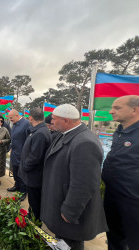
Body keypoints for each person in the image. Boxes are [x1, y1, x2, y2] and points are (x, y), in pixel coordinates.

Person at [41, 104, 107, 250]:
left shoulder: (85, 142)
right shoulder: (66, 133)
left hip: (69, 212)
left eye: (54, 119)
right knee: (61, 243)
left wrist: (70, 211)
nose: (51, 121)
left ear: (66, 121)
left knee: (70, 245)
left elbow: (85, 183)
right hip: (60, 203)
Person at [102, 95, 139, 250]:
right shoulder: (119, 131)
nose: (111, 111)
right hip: (113, 195)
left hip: (133, 200)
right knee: (114, 237)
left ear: (134, 110)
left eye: (117, 108)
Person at [19, 108, 51, 221]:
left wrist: (25, 167)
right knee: (33, 201)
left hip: (34, 176)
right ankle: (32, 216)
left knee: (35, 201)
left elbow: (35, 157)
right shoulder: (38, 130)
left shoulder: (40, 133)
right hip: (33, 174)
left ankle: (34, 224)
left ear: (31, 118)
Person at [7, 109, 30, 202]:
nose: (10, 119)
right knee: (15, 171)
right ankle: (16, 186)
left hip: (22, 154)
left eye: (11, 117)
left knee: (22, 174)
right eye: (9, 118)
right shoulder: (15, 124)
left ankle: (23, 191)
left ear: (17, 115)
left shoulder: (26, 124)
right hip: (15, 152)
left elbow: (28, 140)